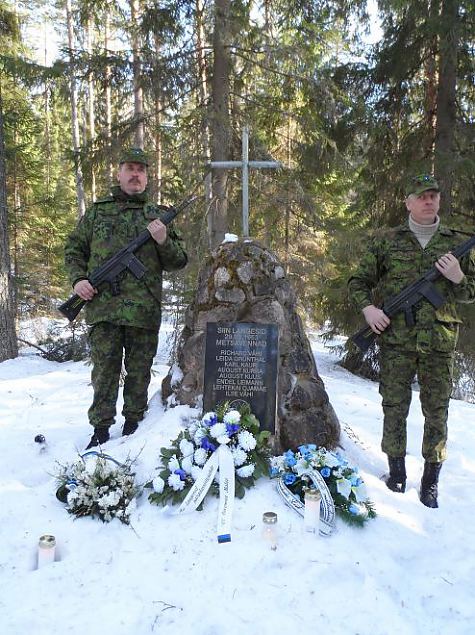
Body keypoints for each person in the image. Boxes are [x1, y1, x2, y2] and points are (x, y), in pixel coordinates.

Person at [348, 174, 475, 508]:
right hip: (396, 343)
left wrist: (458, 277)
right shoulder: (387, 241)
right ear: (408, 202)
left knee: (437, 411)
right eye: (421, 196)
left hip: (439, 343)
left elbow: (470, 293)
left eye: (433, 195)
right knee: (394, 408)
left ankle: (431, 480)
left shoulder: (456, 242)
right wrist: (369, 310)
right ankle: (397, 473)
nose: (428, 201)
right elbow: (358, 280)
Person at [65, 148, 187, 449]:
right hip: (103, 309)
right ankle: (101, 431)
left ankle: (134, 426)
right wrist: (79, 280)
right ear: (119, 173)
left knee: (139, 373)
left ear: (147, 176)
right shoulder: (97, 212)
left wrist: (162, 240)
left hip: (143, 312)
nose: (135, 174)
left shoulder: (157, 216)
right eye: (130, 168)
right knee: (104, 372)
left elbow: (179, 261)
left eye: (141, 170)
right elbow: (74, 250)